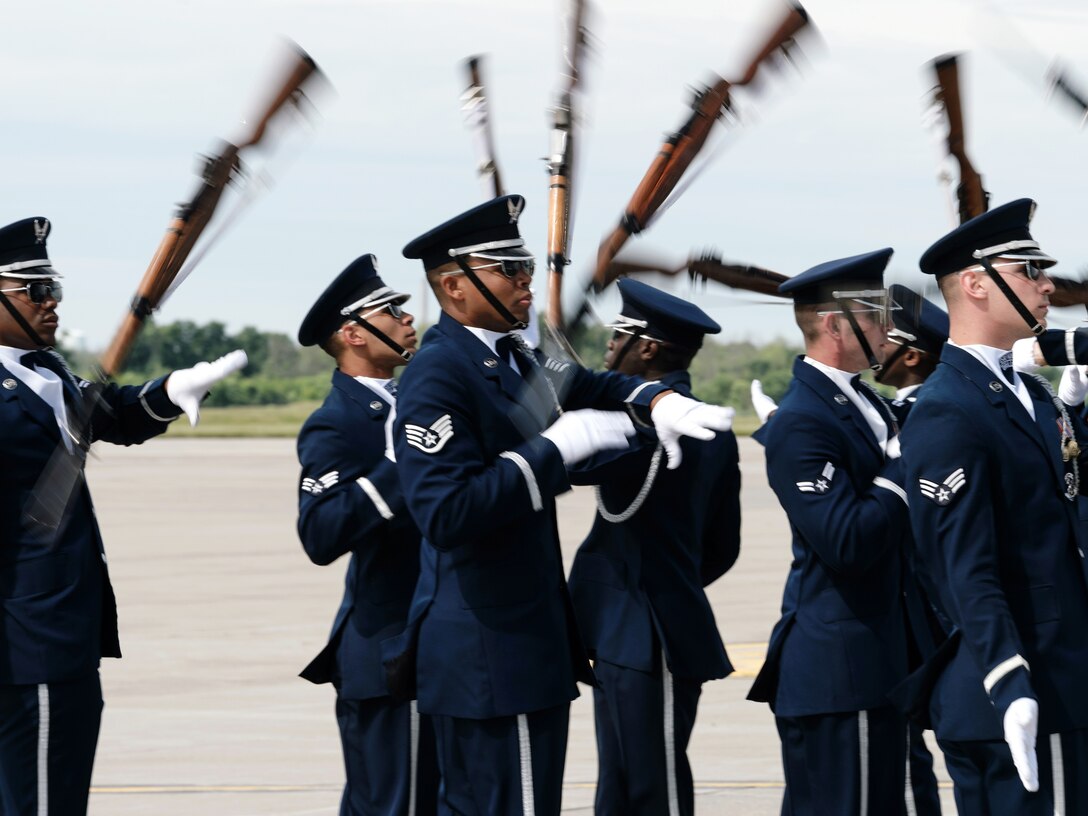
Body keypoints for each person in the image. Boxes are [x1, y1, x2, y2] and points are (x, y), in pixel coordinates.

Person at [385, 194, 733, 815]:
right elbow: (446, 513)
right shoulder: (438, 374)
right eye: (507, 270)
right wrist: (552, 450)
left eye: (524, 267)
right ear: (453, 287)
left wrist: (656, 399)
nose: (525, 282)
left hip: (524, 645)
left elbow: (591, 383)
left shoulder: (512, 356)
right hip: (491, 650)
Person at [0, 216, 246, 815]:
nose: (51, 301)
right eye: (34, 290)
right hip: (26, 643)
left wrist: (172, 390)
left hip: (65, 635)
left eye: (53, 287)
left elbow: (107, 412)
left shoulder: (46, 374)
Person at [901, 198, 1088, 814]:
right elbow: (963, 565)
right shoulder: (948, 407)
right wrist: (1009, 680)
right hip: (1023, 688)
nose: (1047, 285)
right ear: (977, 285)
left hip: (1063, 679)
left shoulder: (1027, 397)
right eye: (1028, 272)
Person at [566, 278, 741, 816]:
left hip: (651, 631)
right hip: (633, 625)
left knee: (650, 786)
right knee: (619, 783)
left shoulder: (654, 424)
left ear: (645, 347)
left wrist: (663, 587)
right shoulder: (688, 420)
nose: (606, 348)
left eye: (617, 336)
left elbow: (570, 462)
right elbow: (722, 546)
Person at [747, 248, 910, 815]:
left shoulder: (861, 399)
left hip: (872, 665)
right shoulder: (802, 421)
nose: (889, 326)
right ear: (834, 323)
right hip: (840, 672)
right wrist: (900, 471)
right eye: (875, 313)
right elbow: (848, 543)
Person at [295, 254, 438, 815]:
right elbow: (320, 532)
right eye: (392, 310)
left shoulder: (418, 402)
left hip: (434, 646)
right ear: (353, 334)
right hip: (386, 652)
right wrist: (400, 465)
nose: (408, 319)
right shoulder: (337, 422)